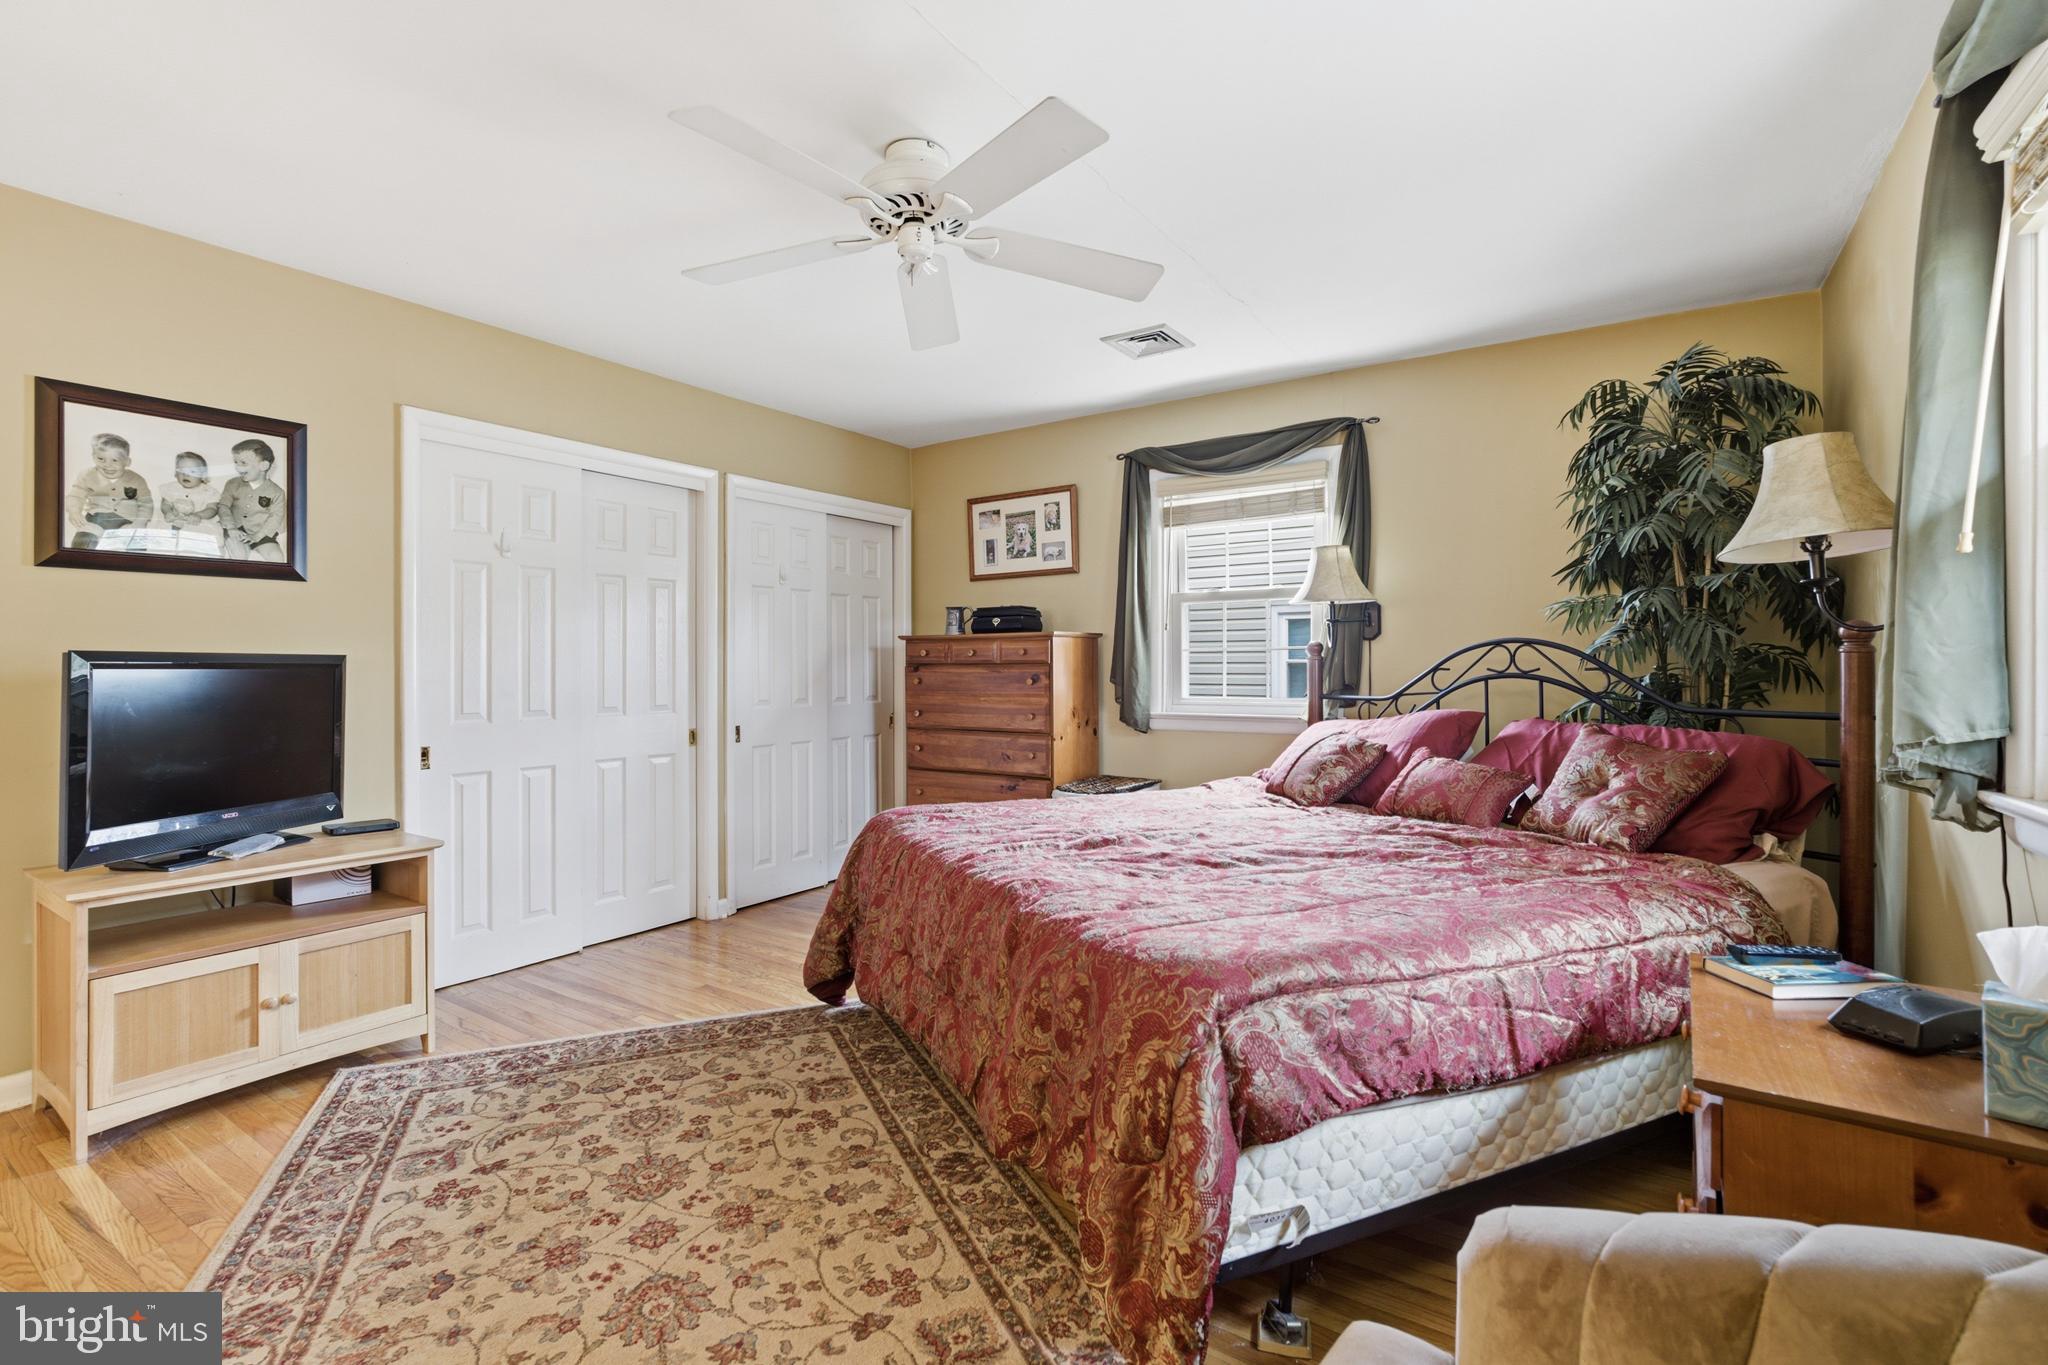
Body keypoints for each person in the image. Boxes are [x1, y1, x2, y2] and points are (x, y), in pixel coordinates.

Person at [64, 433, 154, 549]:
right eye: (101, 459)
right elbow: (76, 495)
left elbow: (146, 503)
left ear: (127, 462)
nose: (107, 465)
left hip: (127, 522)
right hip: (95, 519)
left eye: (115, 460)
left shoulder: (137, 480)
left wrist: (140, 522)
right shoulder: (87, 475)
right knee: (83, 542)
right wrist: (74, 511)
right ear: (93, 456)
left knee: (136, 546)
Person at [219, 439, 287, 562]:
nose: (238, 467)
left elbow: (275, 518)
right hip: (235, 529)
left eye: (243, 463)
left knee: (277, 557)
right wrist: (231, 527)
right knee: (239, 555)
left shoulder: (277, 492)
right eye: (236, 462)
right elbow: (223, 506)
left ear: (264, 466)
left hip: (261, 533)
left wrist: (257, 536)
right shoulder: (232, 484)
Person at [156, 451, 224, 554]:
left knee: (206, 538)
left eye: (192, 471)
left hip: (198, 522)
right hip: (175, 519)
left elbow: (212, 509)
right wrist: (168, 512)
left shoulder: (209, 492)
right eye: (181, 471)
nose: (186, 475)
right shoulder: (171, 488)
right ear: (175, 473)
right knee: (161, 533)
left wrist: (199, 515)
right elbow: (165, 503)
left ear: (203, 475)